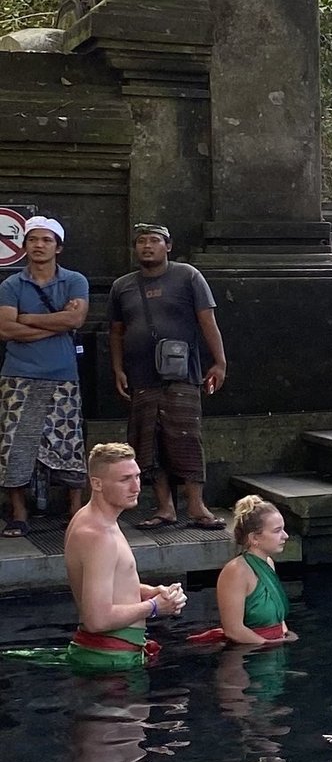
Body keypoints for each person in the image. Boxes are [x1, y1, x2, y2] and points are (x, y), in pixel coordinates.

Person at [108, 223, 228, 531]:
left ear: (168, 246)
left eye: (155, 241)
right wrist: (118, 368)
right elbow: (116, 332)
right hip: (141, 376)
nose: (147, 246)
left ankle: (198, 507)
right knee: (149, 443)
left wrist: (219, 362)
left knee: (187, 438)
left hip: (182, 374)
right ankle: (164, 508)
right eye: (142, 241)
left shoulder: (187, 276)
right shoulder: (122, 286)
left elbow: (207, 321)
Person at [0, 216, 90, 536]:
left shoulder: (75, 281)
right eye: (33, 240)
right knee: (15, 445)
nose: (39, 245)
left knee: (68, 443)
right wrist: (57, 322)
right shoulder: (11, 285)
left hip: (63, 376)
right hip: (18, 376)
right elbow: (5, 328)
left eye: (46, 240)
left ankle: (76, 510)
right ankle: (18, 512)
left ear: (58, 247)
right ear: (24, 246)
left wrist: (29, 321)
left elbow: (77, 317)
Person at [62, 442, 185, 672]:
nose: (136, 486)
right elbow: (96, 619)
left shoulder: (95, 520)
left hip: (111, 656)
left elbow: (112, 585)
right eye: (124, 479)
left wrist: (153, 591)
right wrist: (154, 607)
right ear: (96, 483)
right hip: (110, 662)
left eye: (137, 477)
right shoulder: (98, 535)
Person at [205, 496, 296, 648]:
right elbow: (234, 630)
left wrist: (285, 634)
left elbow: (277, 620)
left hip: (274, 646)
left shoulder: (268, 563)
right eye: (277, 531)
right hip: (249, 652)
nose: (285, 536)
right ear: (254, 538)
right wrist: (269, 645)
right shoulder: (236, 572)